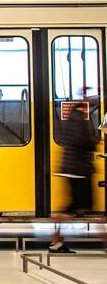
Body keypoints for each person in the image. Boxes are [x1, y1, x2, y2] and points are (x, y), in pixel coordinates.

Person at [49, 100, 99, 252]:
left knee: (73, 209)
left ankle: (55, 242)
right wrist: (94, 141)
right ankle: (55, 242)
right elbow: (82, 141)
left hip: (75, 170)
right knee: (86, 211)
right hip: (79, 172)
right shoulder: (79, 120)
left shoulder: (73, 118)